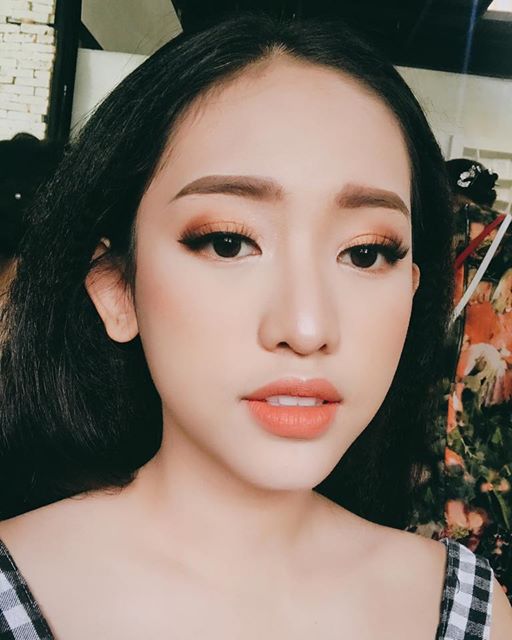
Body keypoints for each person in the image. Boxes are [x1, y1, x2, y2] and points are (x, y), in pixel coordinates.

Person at [0, 13, 510, 639]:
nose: (306, 327)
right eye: (228, 242)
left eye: (366, 253)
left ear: (412, 291)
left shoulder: (467, 610)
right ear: (116, 289)